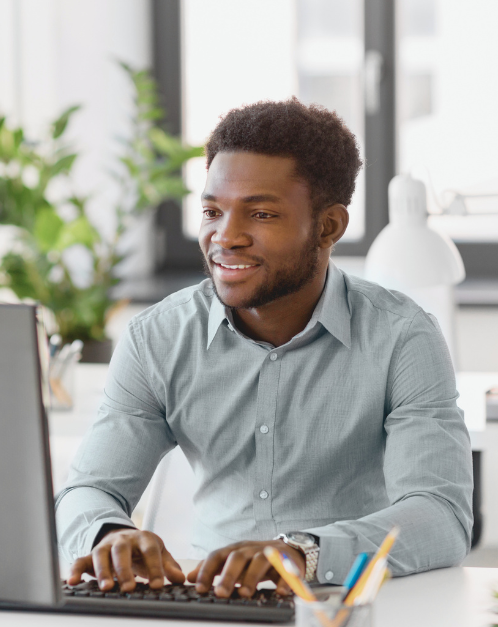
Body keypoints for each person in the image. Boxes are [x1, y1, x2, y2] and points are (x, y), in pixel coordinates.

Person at [55, 98, 472, 599]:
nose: (224, 237)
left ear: (328, 227)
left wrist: (302, 553)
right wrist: (108, 534)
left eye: (261, 213)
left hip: (349, 604)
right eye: (212, 211)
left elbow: (440, 515)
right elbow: (87, 490)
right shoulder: (158, 338)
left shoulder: (402, 337)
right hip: (208, 603)